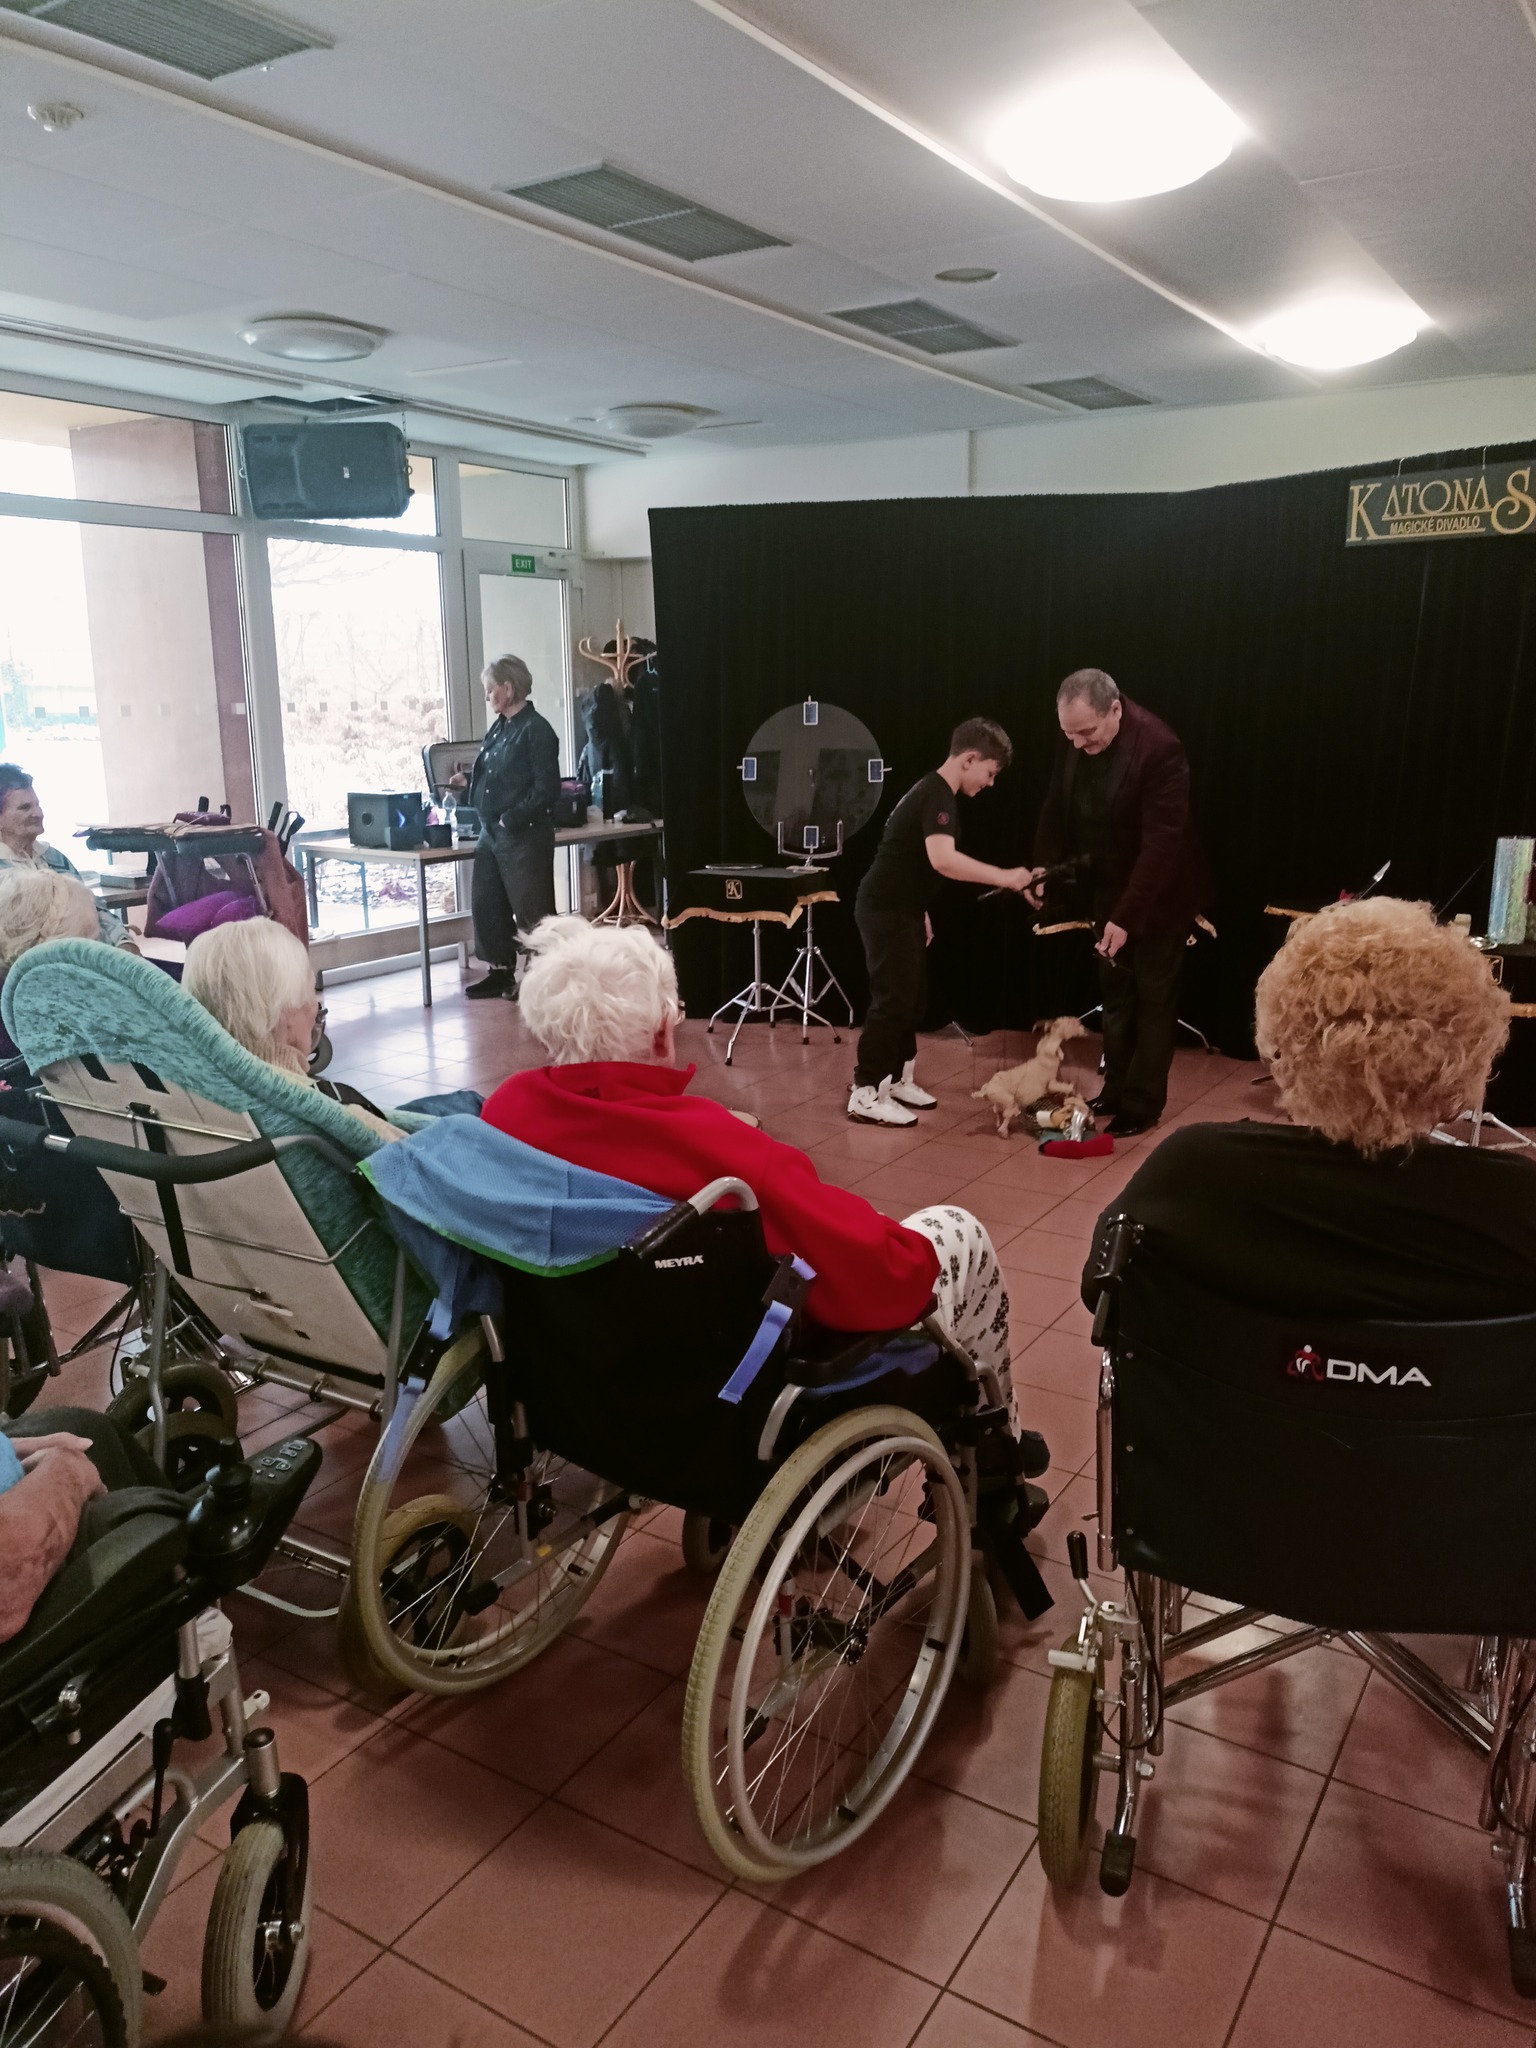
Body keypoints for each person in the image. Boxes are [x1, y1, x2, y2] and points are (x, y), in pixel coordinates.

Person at [482, 917, 1036, 1437]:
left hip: (579, 1375)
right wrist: (900, 1245)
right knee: (958, 1232)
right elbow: (870, 1269)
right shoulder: (713, 1147)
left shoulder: (504, 1113)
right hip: (721, 1395)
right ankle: (998, 1449)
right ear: (659, 1036)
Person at [1083, 897, 1532, 1319]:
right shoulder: (1517, 1203)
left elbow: (1099, 1293)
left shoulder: (1190, 1171)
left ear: (1284, 1038)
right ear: (1469, 1051)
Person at [1031, 670, 1210, 1138]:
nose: (1076, 743)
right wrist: (1044, 867)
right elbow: (1055, 801)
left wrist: (1127, 916)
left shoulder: (1160, 748)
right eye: (1069, 734)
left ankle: (1143, 1103)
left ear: (1115, 709)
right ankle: (1115, 1089)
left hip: (1159, 896)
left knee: (1153, 1000)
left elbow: (1163, 845)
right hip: (1105, 887)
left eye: (1086, 733)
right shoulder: (1075, 734)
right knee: (1115, 998)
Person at [849, 718, 1036, 1128]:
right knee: (892, 1001)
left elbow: (908, 859)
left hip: (904, 908)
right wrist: (1007, 876)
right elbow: (942, 860)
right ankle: (865, 1092)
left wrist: (921, 910)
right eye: (990, 773)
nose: (990, 783)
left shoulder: (934, 792)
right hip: (884, 909)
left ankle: (897, 1080)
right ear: (969, 759)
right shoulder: (936, 794)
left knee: (912, 998)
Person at [182, 918, 479, 1139]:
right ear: (286, 1014)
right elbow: (419, 1166)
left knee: (461, 1104)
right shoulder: (326, 1110)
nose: (315, 1005)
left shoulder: (194, 1091)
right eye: (311, 990)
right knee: (474, 1107)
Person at [453, 656, 560, 1001]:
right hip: (491, 832)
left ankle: (543, 977)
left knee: (531, 908)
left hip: (523, 832)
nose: (487, 697)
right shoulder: (499, 728)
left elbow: (547, 789)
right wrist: (467, 783)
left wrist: (510, 817)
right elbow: (498, 775)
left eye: (490, 690)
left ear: (508, 688)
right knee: (487, 901)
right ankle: (500, 970)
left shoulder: (537, 730)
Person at [0, 764, 132, 947]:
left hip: (88, 953)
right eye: (25, 808)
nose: (38, 813)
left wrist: (124, 941)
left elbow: (94, 907)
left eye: (38, 805)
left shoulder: (53, 857)